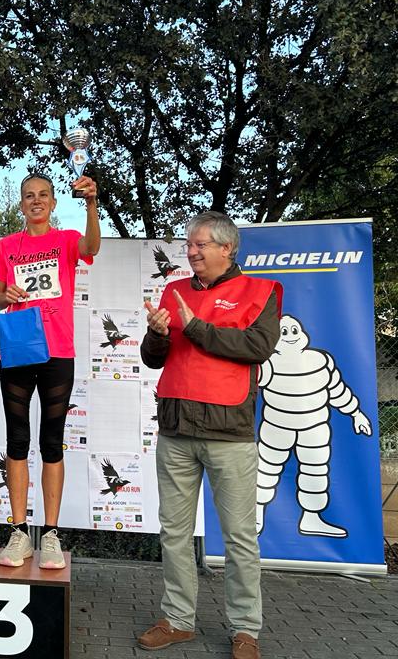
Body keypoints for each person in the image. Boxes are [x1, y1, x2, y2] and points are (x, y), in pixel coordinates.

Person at [137, 211, 281, 659]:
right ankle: (178, 620)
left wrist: (196, 327)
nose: (192, 251)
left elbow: (256, 348)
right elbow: (153, 358)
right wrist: (157, 334)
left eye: (201, 245)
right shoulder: (174, 290)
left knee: (239, 536)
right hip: (176, 428)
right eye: (189, 244)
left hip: (230, 433)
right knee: (174, 532)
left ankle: (245, 630)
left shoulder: (261, 292)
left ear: (227, 249)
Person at [0, 170, 100, 569]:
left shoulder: (66, 240)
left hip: (58, 352)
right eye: (29, 195)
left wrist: (91, 203)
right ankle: (19, 532)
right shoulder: (7, 246)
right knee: (17, 441)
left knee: (52, 442)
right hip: (20, 349)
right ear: (21, 204)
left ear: (53, 203)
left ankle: (50, 534)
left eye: (43, 195)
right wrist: (8, 292)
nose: (36, 201)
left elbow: (93, 245)